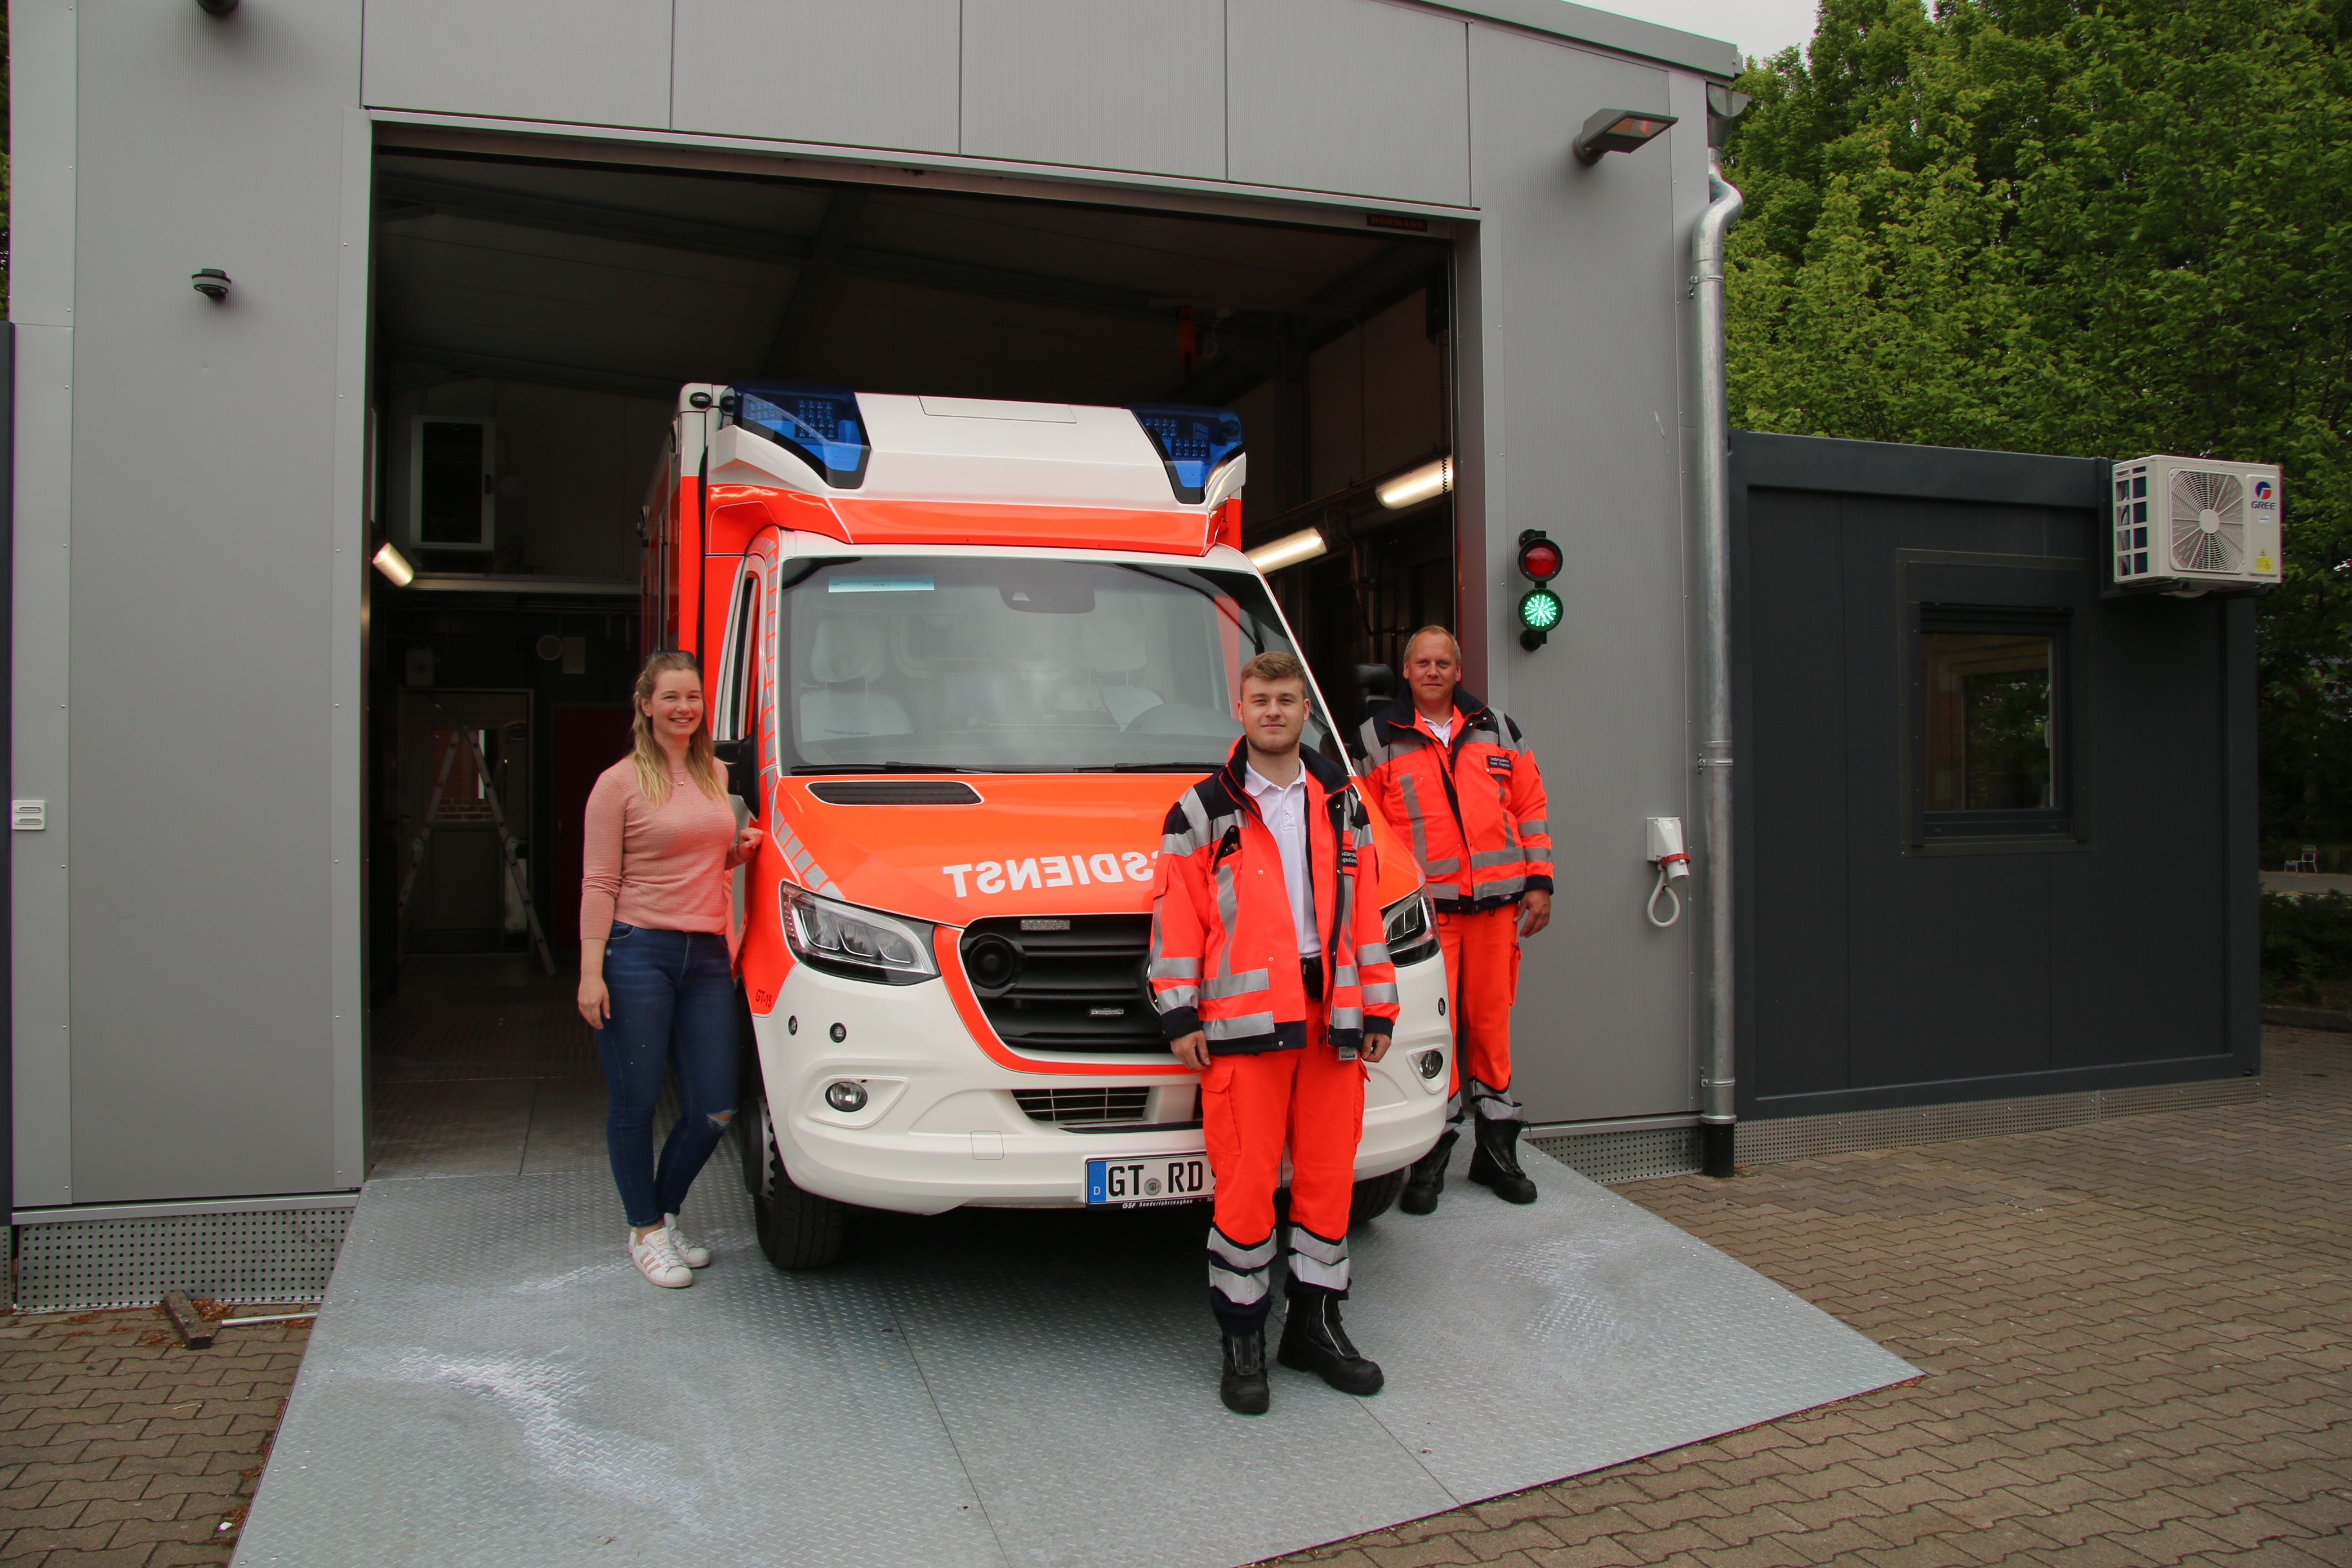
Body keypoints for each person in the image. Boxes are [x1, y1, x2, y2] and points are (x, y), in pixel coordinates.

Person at [1149, 651, 1400, 1415]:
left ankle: (1316, 1328)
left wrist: (1379, 1005)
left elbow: (1366, 912)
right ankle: (1243, 1339)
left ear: (1304, 709)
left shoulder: (1342, 800)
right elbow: (1176, 919)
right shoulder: (1200, 811)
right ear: (1240, 707)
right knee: (1246, 1189)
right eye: (1261, 699)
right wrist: (1179, 1012)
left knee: (1327, 1182)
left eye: (1287, 699)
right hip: (1245, 1030)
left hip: (1332, 1022)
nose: (1273, 711)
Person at [578, 651, 763, 1288]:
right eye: (671, 697)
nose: (684, 707)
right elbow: (599, 881)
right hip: (637, 950)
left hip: (706, 953)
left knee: (716, 1105)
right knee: (634, 1103)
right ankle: (646, 1229)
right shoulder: (619, 783)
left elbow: (699, 859)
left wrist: (735, 854)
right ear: (646, 705)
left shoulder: (715, 773)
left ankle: (663, 1215)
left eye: (693, 697)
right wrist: (591, 971)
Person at [1355, 627, 1553, 1212]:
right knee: (1432, 1032)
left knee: (1491, 1030)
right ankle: (1429, 1158)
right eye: (1423, 662)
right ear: (1406, 669)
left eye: (1444, 662)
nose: (1433, 671)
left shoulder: (1498, 728)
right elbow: (1364, 831)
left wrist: (1539, 881)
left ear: (1458, 669)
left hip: (1496, 912)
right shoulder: (1376, 738)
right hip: (1424, 920)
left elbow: (1530, 805)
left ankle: (1497, 1152)